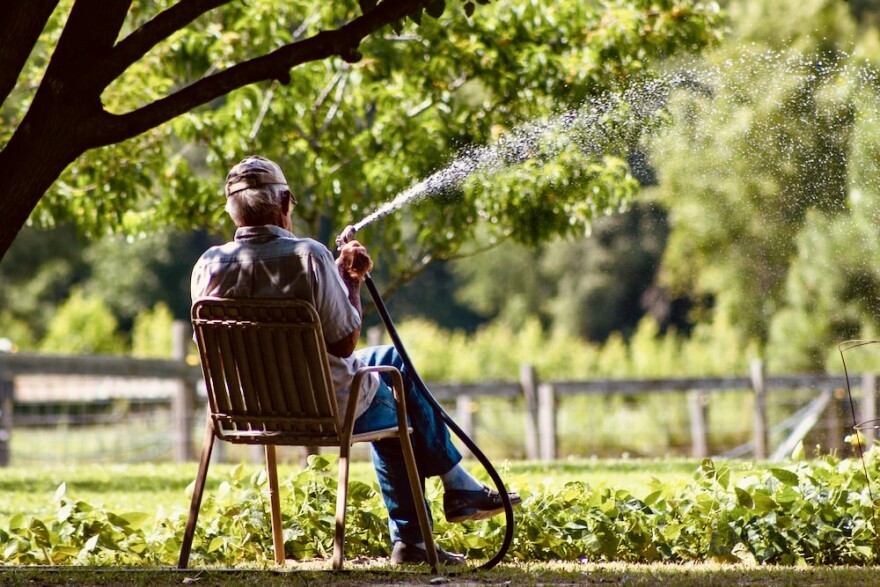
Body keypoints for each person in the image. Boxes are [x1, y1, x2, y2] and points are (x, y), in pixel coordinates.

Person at [191, 155, 521, 566]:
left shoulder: (208, 264)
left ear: (232, 209)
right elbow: (345, 343)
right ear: (286, 202)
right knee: (397, 394)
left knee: (389, 360)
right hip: (325, 409)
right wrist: (350, 281)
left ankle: (448, 499)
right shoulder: (310, 256)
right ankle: (440, 505)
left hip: (243, 410)